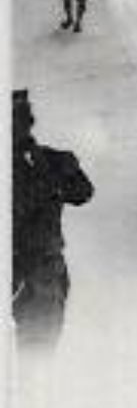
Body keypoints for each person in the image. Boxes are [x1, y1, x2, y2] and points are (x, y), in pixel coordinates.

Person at [12, 91, 94, 352]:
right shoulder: (47, 162)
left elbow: (83, 193)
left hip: (43, 272)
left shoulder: (50, 160)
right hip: (30, 271)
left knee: (36, 354)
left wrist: (66, 170)